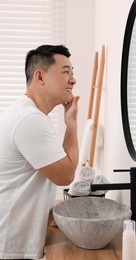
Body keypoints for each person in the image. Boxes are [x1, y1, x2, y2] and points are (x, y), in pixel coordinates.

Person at [0, 45, 79, 259]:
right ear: (40, 77)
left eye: (72, 73)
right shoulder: (30, 119)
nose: (72, 80)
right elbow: (66, 175)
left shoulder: (26, 113)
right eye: (65, 72)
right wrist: (71, 123)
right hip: (9, 246)